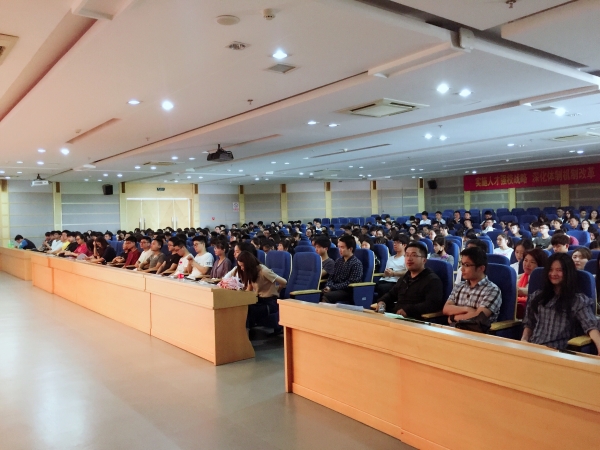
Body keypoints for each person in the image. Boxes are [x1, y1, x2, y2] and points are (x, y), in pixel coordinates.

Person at [522, 253, 600, 353]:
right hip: (534, 348)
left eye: (559, 270)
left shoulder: (577, 300)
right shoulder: (537, 296)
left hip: (559, 352)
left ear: (568, 273)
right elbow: (529, 323)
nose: (553, 274)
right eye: (550, 270)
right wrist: (524, 340)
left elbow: (591, 326)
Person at [375, 242, 443, 317]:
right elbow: (391, 294)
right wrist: (382, 302)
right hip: (396, 316)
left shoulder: (432, 280)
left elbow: (432, 304)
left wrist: (408, 311)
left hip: (414, 319)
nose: (409, 259)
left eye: (414, 255)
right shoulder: (405, 278)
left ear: (424, 260)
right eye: (407, 255)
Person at [443, 247, 502, 325]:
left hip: (475, 331)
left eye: (466, 265)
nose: (462, 269)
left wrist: (453, 318)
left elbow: (477, 317)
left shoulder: (492, 290)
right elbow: (446, 309)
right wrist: (466, 309)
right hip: (453, 329)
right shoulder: (459, 286)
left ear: (481, 268)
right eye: (462, 264)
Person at [233, 251, 287, 331]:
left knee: (248, 309)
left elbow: (284, 282)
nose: (242, 268)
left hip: (269, 302)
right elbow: (249, 290)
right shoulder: (252, 272)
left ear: (248, 264)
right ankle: (243, 332)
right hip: (259, 300)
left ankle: (245, 332)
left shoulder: (263, 271)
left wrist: (277, 291)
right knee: (242, 306)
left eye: (242, 266)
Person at [321, 235, 363, 304]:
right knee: (319, 293)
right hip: (334, 288)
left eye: (342, 247)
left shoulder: (356, 263)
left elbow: (350, 283)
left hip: (347, 291)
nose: (339, 250)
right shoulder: (338, 261)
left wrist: (332, 288)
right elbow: (331, 277)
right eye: (339, 247)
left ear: (350, 249)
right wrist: (328, 286)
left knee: (328, 296)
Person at [516, 248, 548, 318]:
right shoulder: (518, 277)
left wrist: (521, 291)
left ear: (540, 264)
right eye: (525, 260)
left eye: (532, 262)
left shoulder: (544, 281)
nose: (527, 264)